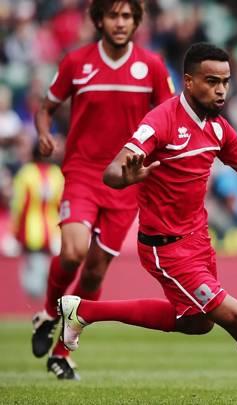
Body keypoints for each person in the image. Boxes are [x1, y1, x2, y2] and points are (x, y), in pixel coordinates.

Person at [57, 42, 237, 405]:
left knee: (198, 323)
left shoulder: (218, 129)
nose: (220, 90)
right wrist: (128, 175)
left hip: (197, 240)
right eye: (211, 81)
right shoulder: (160, 122)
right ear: (188, 81)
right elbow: (111, 172)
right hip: (165, 248)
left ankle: (84, 310)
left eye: (226, 82)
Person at [31, 0, 174, 380]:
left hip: (126, 180)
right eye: (113, 15)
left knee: (94, 273)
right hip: (82, 172)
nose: (120, 22)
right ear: (99, 19)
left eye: (127, 16)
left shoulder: (153, 66)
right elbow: (45, 107)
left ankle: (62, 353)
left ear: (137, 21)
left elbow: (171, 117)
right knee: (74, 252)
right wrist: (45, 134)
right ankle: (48, 311)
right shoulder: (77, 62)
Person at [11, 144, 64, 300]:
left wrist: (14, 230)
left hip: (30, 228)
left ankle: (34, 302)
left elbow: (19, 204)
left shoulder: (26, 173)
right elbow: (61, 203)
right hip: (52, 227)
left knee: (32, 267)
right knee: (46, 266)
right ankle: (46, 298)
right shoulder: (56, 174)